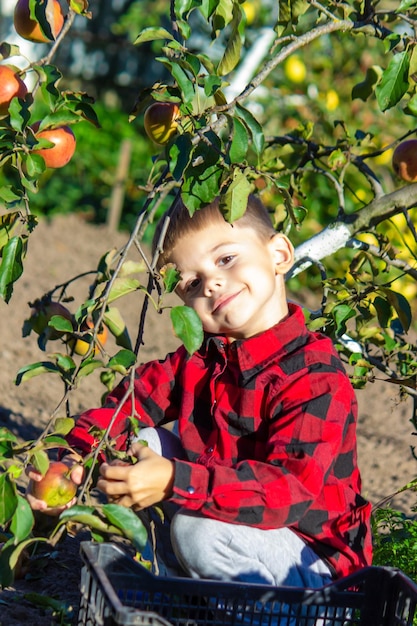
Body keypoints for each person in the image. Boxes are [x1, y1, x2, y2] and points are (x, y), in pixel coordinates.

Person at [27, 194, 372, 592]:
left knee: (198, 531)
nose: (212, 283)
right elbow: (131, 401)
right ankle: (184, 592)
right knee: (137, 445)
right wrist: (73, 458)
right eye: (192, 282)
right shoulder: (202, 358)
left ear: (278, 254)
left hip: (311, 566)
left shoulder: (316, 379)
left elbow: (286, 492)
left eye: (226, 259)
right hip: (231, 528)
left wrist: (176, 479)